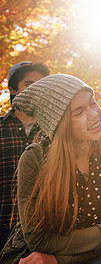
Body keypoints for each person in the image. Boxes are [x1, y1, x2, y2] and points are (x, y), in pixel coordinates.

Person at [9, 74, 101, 263]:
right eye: (79, 112)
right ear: (59, 125)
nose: (94, 114)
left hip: (96, 259)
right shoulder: (35, 160)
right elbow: (40, 239)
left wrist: (59, 260)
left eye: (92, 103)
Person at [0, 62, 50, 249]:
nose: (37, 89)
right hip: (3, 224)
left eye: (42, 84)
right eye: (29, 84)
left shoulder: (55, 131)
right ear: (13, 89)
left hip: (44, 229)